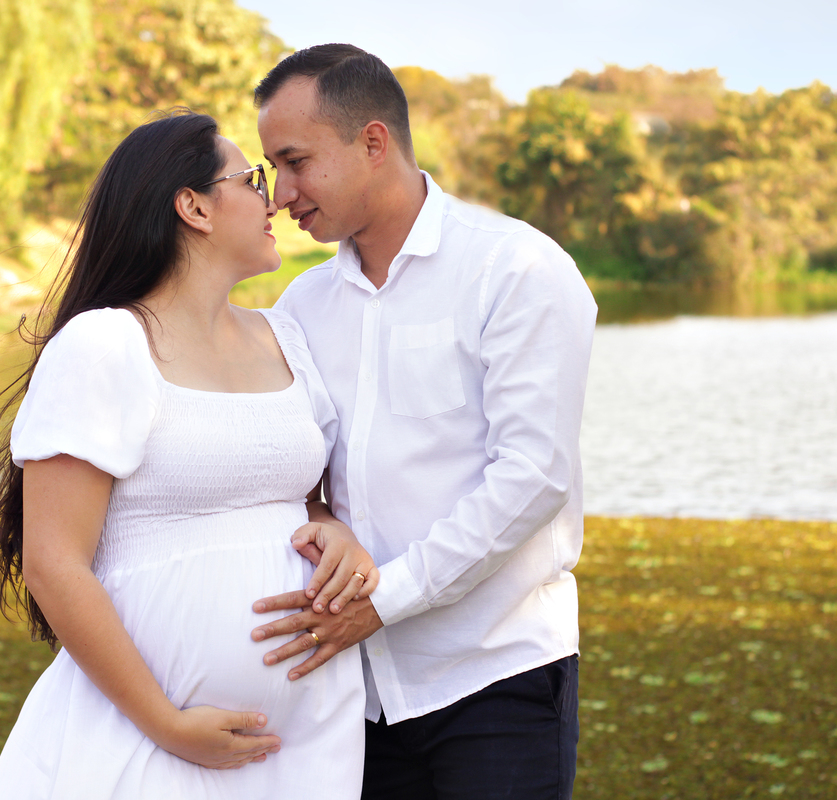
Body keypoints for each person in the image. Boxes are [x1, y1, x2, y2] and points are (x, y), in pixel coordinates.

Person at [0, 111, 369, 800]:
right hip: (140, 742)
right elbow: (53, 562)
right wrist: (165, 723)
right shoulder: (105, 345)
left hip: (307, 748)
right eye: (252, 180)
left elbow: (295, 499)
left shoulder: (286, 338)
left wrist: (335, 533)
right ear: (194, 207)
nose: (276, 198)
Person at [248, 45, 598, 799]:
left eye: (296, 162)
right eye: (273, 169)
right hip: (353, 695)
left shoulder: (516, 269)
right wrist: (319, 522)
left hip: (496, 678)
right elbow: (295, 474)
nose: (280, 194)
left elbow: (534, 477)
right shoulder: (301, 306)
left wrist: (384, 600)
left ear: (373, 142)